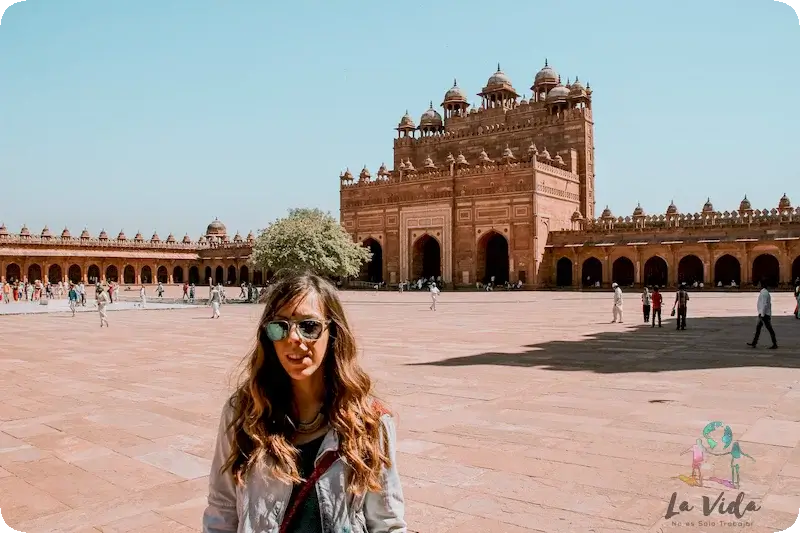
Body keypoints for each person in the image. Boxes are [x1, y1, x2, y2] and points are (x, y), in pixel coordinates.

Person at [202, 272, 406, 533]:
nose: (294, 338)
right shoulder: (244, 413)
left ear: (333, 332)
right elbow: (222, 508)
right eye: (280, 327)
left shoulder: (368, 421)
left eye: (309, 326)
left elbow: (387, 524)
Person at [748, 279, 778, 349]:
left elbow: (764, 304)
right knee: (758, 329)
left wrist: (762, 315)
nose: (758, 285)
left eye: (759, 283)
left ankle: (774, 343)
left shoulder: (764, 293)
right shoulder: (763, 292)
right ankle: (754, 342)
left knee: (769, 329)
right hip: (763, 314)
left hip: (764, 315)